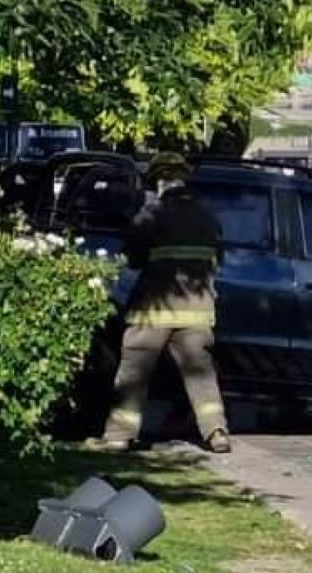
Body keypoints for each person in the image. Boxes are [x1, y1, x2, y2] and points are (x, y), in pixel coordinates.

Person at [94, 153, 230, 453]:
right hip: (198, 311)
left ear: (158, 180)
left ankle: (119, 435)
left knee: (134, 371)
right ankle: (217, 432)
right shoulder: (208, 217)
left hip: (155, 310)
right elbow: (217, 261)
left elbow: (133, 256)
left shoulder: (152, 213)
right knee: (201, 375)